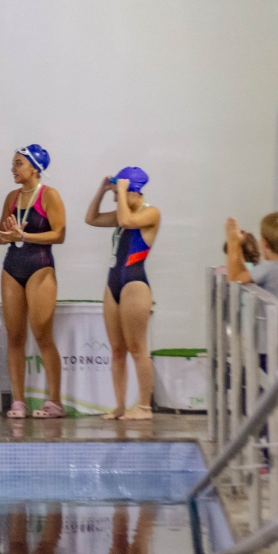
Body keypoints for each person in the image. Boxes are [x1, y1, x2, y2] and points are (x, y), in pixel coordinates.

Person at [0, 144, 66, 419]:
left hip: (40, 267)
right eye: (13, 163)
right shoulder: (12, 197)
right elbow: (0, 235)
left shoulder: (50, 196)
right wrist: (7, 236)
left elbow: (59, 234)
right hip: (12, 267)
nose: (13, 168)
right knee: (14, 336)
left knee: (42, 335)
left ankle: (55, 402)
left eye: (18, 163)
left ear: (35, 168)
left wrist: (24, 237)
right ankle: (19, 401)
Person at [85, 167, 161, 421]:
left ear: (133, 191)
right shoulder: (122, 213)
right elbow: (91, 218)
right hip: (113, 282)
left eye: (120, 193)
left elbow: (128, 222)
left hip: (135, 284)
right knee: (117, 349)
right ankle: (119, 406)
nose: (116, 199)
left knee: (137, 348)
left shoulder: (151, 212)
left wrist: (119, 189)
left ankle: (145, 407)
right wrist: (102, 189)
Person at [226, 213, 278, 302]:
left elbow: (234, 280)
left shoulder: (269, 267)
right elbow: (244, 274)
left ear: (265, 243)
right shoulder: (277, 267)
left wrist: (233, 240)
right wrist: (239, 249)